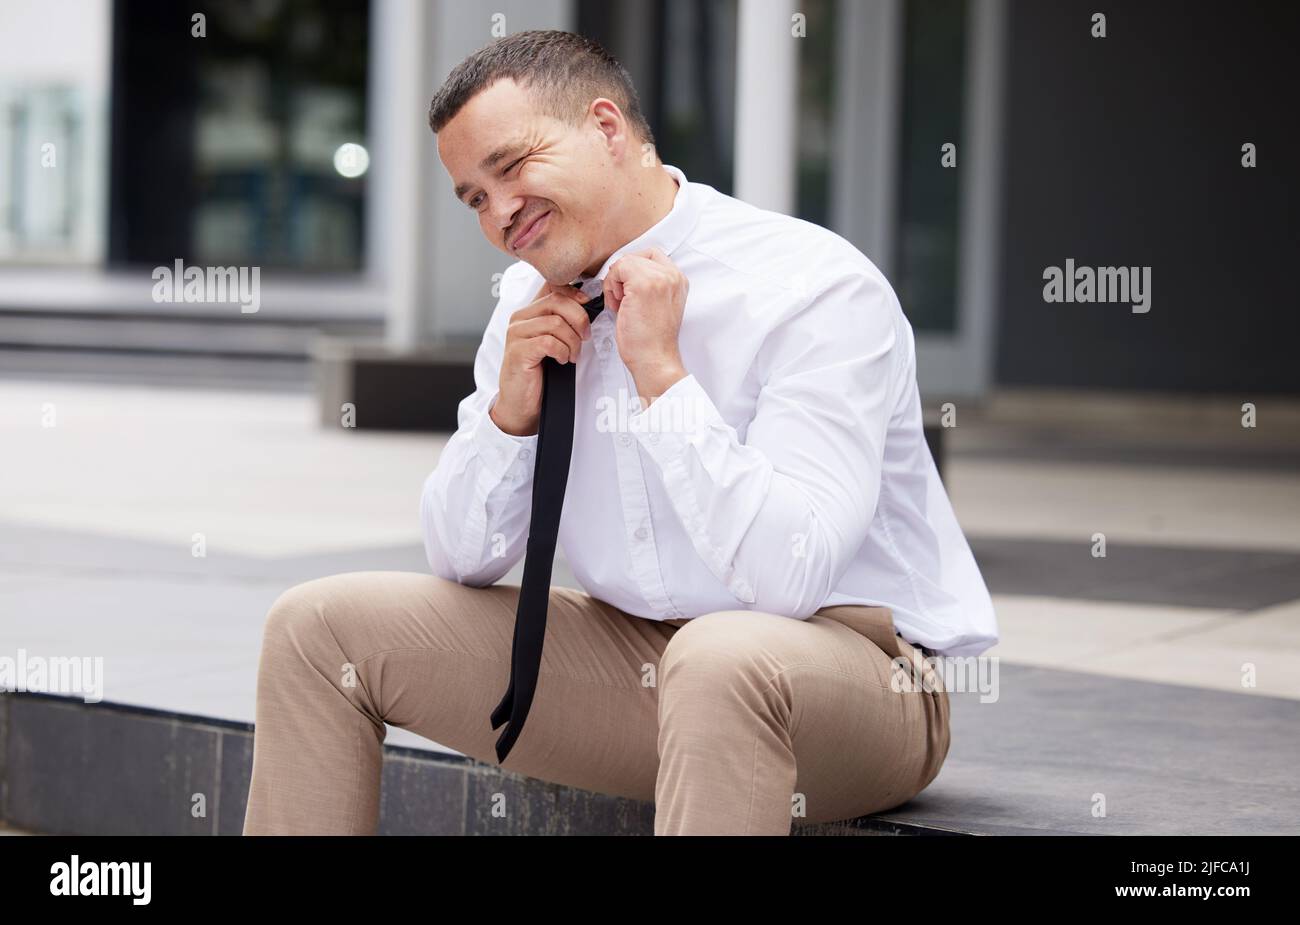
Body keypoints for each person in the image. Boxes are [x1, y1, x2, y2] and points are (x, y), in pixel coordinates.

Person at [243, 28, 997, 836]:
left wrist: (663, 378)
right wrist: (508, 420)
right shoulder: (526, 304)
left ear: (606, 129)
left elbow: (790, 576)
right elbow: (461, 557)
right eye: (473, 198)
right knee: (315, 627)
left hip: (854, 679)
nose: (499, 215)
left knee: (722, 659)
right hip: (635, 661)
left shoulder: (814, 287)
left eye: (511, 168)